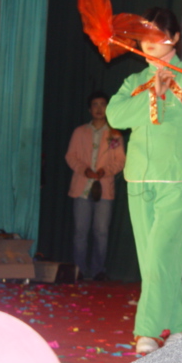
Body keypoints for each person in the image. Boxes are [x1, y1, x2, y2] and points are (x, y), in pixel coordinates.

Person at [106, 7, 182, 354]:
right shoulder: (134, 81)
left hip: (180, 178)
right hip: (139, 179)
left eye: (158, 35)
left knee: (161, 254)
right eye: (144, 36)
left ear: (175, 38)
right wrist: (152, 94)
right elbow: (115, 115)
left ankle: (146, 331)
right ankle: (181, 324)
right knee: (153, 260)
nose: (149, 43)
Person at [65, 91, 125, 281]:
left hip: (104, 189)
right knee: (80, 232)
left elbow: (120, 160)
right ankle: (80, 270)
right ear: (89, 109)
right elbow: (70, 156)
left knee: (101, 232)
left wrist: (103, 171)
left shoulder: (115, 134)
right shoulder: (80, 131)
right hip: (81, 188)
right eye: (95, 105)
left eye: (103, 104)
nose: (99, 109)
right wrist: (84, 170)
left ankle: (98, 270)